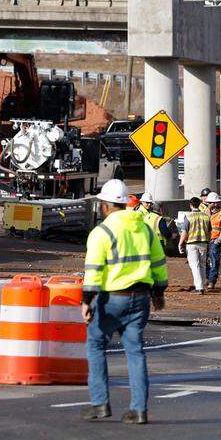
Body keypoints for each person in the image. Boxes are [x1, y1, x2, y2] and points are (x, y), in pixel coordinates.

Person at [81, 179, 167, 425]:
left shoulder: (102, 232)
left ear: (106, 206)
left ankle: (99, 403)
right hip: (140, 298)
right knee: (135, 352)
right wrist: (159, 294)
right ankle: (138, 409)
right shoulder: (145, 229)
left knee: (96, 345)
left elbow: (94, 270)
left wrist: (86, 301)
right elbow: (159, 263)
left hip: (112, 299)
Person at [178, 195, 211, 294]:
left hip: (192, 244)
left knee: (195, 266)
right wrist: (208, 242)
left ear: (191, 205)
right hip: (203, 243)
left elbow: (184, 232)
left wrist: (180, 243)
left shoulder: (188, 216)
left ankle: (199, 287)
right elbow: (209, 231)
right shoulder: (205, 216)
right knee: (202, 265)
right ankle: (202, 286)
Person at [205, 192, 221, 290]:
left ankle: (212, 281)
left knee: (214, 261)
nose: (209, 204)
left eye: (211, 202)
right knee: (205, 261)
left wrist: (218, 240)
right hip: (205, 240)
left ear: (215, 203)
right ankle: (207, 278)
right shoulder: (205, 212)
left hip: (215, 240)